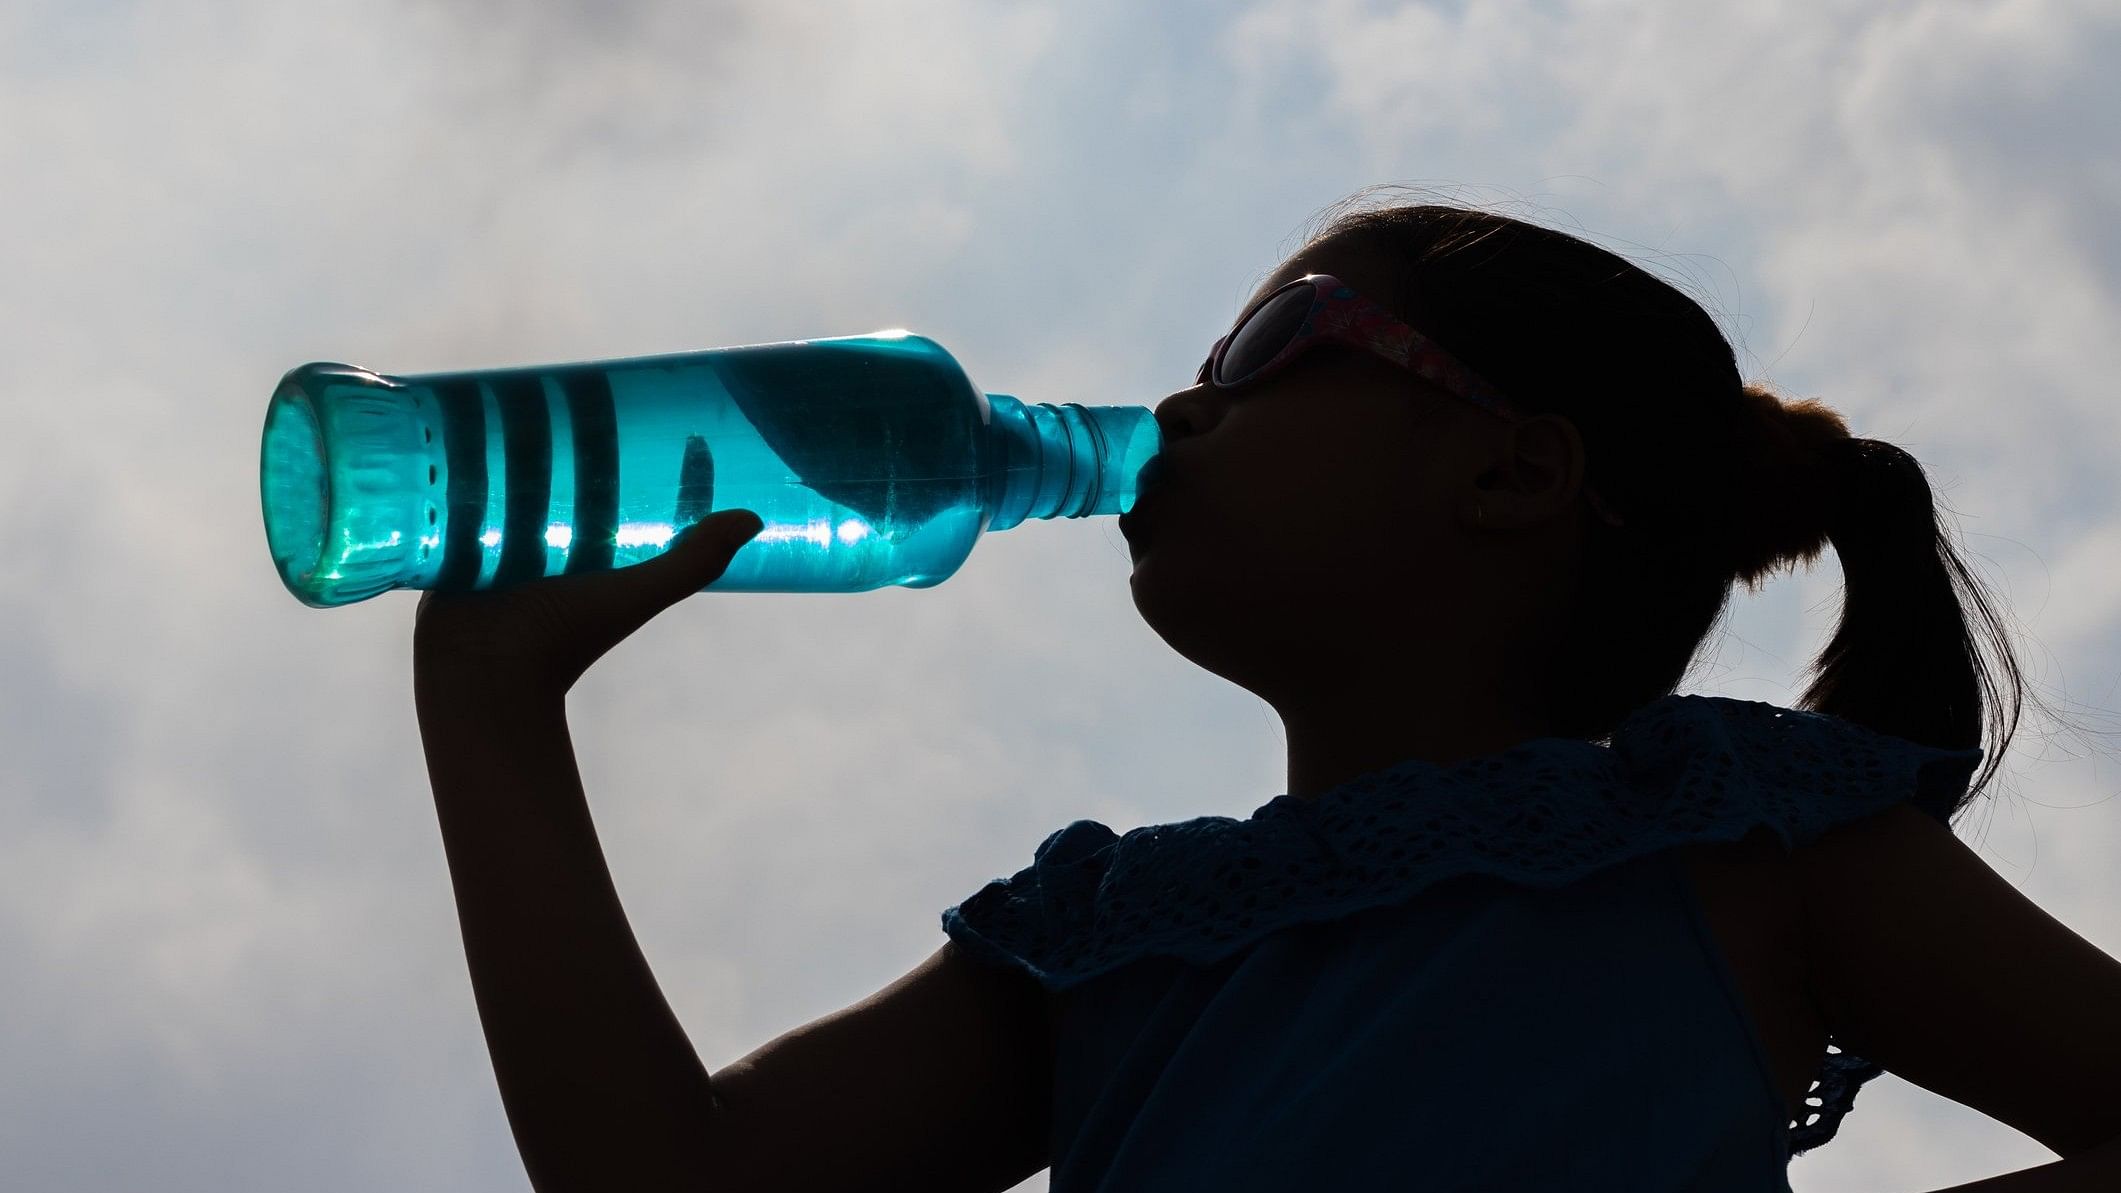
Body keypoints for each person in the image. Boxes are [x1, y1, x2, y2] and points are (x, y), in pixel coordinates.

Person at [411, 194, 2121, 1192]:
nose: (1180, 401)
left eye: (1262, 352)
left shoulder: (1734, 828)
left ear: (1510, 473)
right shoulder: (1106, 929)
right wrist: (491, 717)